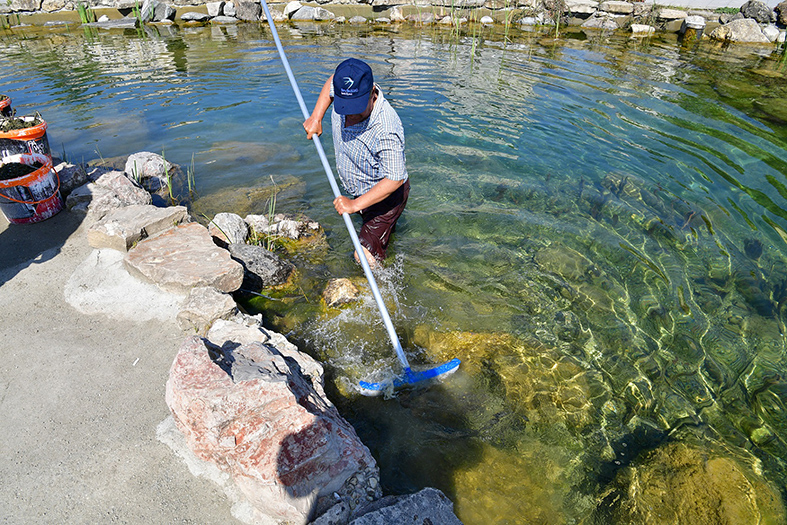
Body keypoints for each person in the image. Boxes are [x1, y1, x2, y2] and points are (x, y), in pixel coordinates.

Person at [303, 58, 410, 268]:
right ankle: (384, 238)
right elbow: (332, 81)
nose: (350, 115)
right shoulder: (344, 85)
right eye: (346, 107)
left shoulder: (386, 127)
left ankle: (380, 284)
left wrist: (354, 205)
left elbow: (395, 179)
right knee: (381, 236)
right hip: (359, 185)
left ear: (372, 93)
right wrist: (317, 117)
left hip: (385, 197)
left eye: (357, 108)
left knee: (364, 257)